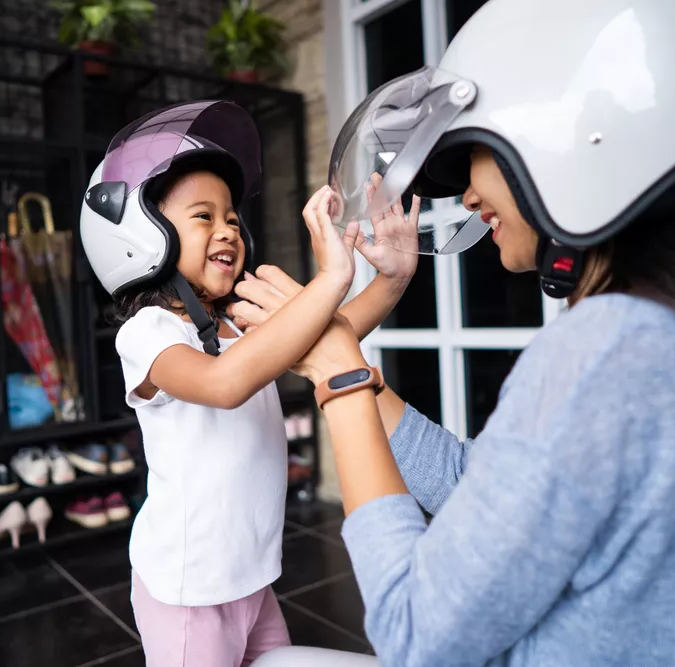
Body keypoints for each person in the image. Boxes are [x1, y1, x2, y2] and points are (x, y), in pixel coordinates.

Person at [238, 1, 675, 666]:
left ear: (573, 136)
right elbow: (476, 483)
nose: (467, 197)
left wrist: (337, 374)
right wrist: (350, 363)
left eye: (475, 154)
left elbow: (413, 631)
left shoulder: (612, 347)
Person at [78, 101, 424, 667]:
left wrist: (391, 279)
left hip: (250, 577)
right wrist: (331, 277)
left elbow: (326, 337)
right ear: (143, 235)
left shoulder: (232, 322)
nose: (228, 230)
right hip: (189, 593)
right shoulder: (147, 333)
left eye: (232, 218)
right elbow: (223, 383)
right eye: (203, 216)